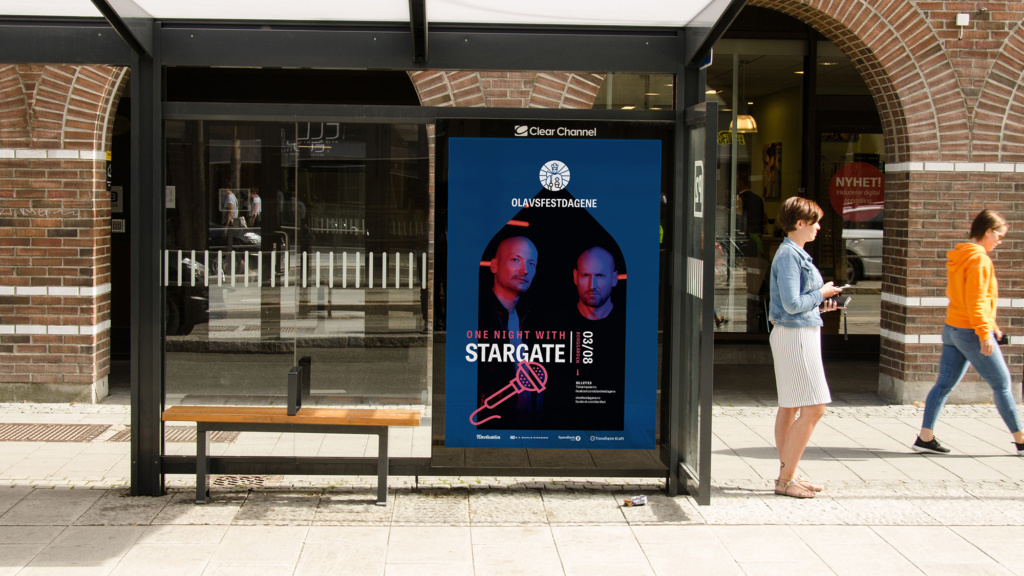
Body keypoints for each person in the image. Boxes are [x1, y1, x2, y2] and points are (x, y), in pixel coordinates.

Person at [912, 209, 1024, 456]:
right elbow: (976, 299)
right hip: (971, 332)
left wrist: (991, 326)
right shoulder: (979, 260)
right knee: (1002, 384)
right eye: (999, 236)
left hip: (953, 328)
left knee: (943, 385)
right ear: (988, 232)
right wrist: (984, 332)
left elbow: (964, 297)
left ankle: (925, 438)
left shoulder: (961, 255)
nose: (1000, 242)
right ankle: (1021, 441)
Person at [768, 196, 843, 498]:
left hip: (795, 332)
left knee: (790, 406)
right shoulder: (790, 255)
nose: (819, 228)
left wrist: (820, 304)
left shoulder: (792, 253)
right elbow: (792, 303)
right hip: (796, 335)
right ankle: (786, 479)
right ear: (800, 223)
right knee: (815, 408)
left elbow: (796, 303)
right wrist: (821, 294)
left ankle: (789, 474)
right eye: (815, 222)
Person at [476, 236, 540, 427]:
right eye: (515, 259)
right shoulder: (477, 317)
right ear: (494, 266)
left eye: (531, 263)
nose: (525, 270)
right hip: (493, 427)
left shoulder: (530, 319)